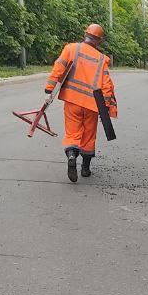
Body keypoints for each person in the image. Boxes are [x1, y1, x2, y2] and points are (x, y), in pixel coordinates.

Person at [45, 24, 118, 183]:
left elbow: (58, 68)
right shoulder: (101, 59)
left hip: (72, 101)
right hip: (92, 104)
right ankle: (85, 168)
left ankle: (71, 155)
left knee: (72, 132)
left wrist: (49, 89)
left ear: (85, 34)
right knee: (88, 135)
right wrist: (106, 107)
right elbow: (106, 85)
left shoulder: (71, 49)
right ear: (99, 41)